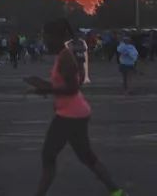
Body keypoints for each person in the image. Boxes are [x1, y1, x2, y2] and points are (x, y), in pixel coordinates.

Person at [25, 18, 125, 196]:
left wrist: (46, 87)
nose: (44, 40)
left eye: (46, 36)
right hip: (74, 113)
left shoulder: (66, 57)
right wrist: (43, 87)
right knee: (86, 157)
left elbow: (73, 88)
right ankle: (116, 191)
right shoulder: (63, 56)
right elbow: (63, 85)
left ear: (57, 37)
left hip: (70, 115)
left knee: (49, 156)